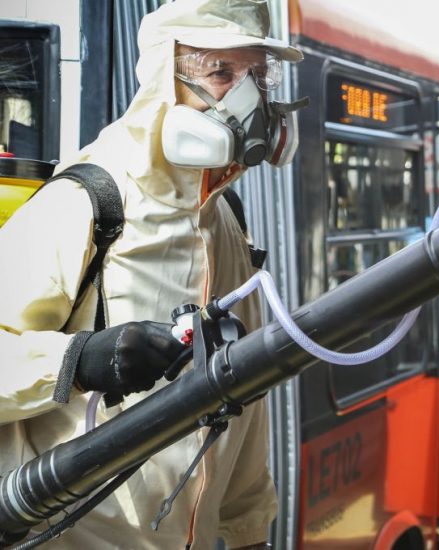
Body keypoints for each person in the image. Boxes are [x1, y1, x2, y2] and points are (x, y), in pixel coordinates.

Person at [0, 1, 303, 548]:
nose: (249, 99)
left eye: (258, 75)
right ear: (166, 80)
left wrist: (248, 530)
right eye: (221, 72)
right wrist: (77, 361)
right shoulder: (87, 200)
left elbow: (245, 397)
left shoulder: (225, 219)